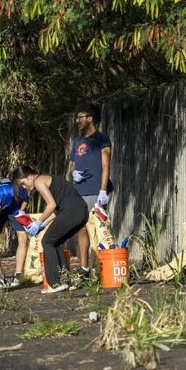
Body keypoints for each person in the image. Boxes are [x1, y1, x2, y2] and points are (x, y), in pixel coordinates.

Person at [13, 163, 89, 294]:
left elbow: (51, 205)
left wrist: (39, 222)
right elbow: (56, 208)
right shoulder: (47, 179)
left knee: (47, 241)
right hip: (80, 211)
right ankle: (65, 281)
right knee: (55, 241)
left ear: (29, 176)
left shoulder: (39, 181)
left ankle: (55, 283)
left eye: (23, 183)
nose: (25, 187)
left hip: (73, 211)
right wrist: (43, 224)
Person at [66, 103, 112, 278]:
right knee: (81, 228)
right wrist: (74, 174)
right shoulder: (77, 142)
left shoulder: (102, 139)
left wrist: (102, 191)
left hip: (95, 191)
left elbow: (106, 166)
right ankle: (84, 268)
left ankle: (104, 267)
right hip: (80, 191)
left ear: (90, 118)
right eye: (77, 117)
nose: (77, 120)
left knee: (100, 229)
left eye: (81, 117)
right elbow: (73, 166)